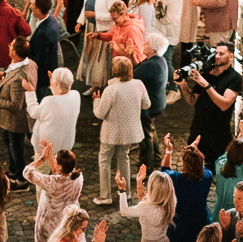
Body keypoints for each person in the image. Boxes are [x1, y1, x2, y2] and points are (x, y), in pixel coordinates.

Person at [91, 56, 149, 204]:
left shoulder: (110, 90)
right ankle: (126, 192)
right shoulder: (139, 84)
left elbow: (99, 113)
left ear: (115, 71)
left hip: (111, 132)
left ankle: (105, 196)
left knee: (104, 160)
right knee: (124, 158)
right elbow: (146, 105)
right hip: (129, 132)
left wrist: (96, 100)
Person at [179, 42, 241, 169]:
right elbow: (192, 101)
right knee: (192, 168)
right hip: (198, 130)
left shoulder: (234, 78)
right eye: (216, 53)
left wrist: (205, 84)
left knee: (215, 171)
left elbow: (224, 105)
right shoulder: (206, 74)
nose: (217, 56)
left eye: (222, 54)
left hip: (218, 135)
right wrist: (182, 84)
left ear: (231, 57)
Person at [0, 34, 34, 185]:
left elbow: (16, 105)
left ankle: (21, 180)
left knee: (16, 148)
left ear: (14, 52)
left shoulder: (18, 78)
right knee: (8, 141)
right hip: (11, 121)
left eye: (11, 46)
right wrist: (4, 75)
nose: (9, 47)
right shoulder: (27, 64)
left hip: (16, 121)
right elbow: (14, 73)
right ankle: (14, 170)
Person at [160, 138, 212, 242]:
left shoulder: (176, 179)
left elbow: (164, 171)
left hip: (179, 225)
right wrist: (195, 150)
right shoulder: (208, 177)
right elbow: (202, 167)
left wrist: (169, 151)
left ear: (184, 163)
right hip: (200, 222)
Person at [24, 65, 81, 159]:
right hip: (65, 147)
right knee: (60, 172)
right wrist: (53, 80)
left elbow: (33, 112)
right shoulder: (76, 95)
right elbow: (60, 94)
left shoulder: (49, 101)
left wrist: (30, 92)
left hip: (47, 148)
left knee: (42, 172)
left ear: (55, 84)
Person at [133, 33, 168, 172]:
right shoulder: (159, 61)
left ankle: (145, 167)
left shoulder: (151, 65)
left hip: (148, 106)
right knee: (151, 130)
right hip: (157, 103)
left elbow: (133, 73)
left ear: (153, 49)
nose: (143, 45)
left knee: (145, 137)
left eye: (146, 44)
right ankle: (156, 160)